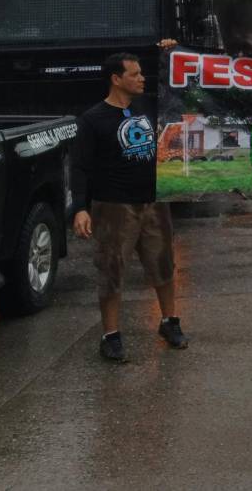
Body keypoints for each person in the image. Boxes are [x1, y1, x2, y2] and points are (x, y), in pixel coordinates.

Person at [71, 50, 188, 362]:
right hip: (113, 207)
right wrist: (79, 208)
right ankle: (111, 336)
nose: (141, 78)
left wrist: (173, 50)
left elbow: (178, 87)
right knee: (111, 272)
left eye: (141, 73)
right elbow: (80, 166)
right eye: (134, 74)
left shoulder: (147, 106)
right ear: (116, 79)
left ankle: (170, 322)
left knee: (163, 265)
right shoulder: (93, 119)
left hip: (153, 202)